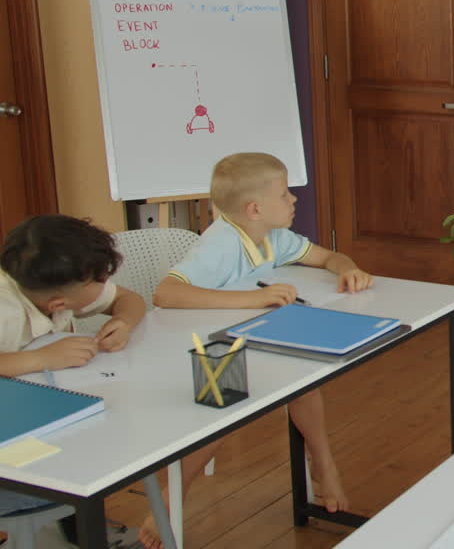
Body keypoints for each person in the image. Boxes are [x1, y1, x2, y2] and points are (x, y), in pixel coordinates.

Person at [149, 152, 373, 548]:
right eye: (285, 194)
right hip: (200, 351)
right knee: (226, 408)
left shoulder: (274, 236)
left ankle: (323, 464)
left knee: (304, 376)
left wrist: (347, 268)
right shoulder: (220, 244)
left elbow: (327, 256)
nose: (294, 199)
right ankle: (170, 498)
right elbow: (166, 294)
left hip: (247, 340)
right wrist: (253, 300)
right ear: (254, 209)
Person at [0, 215, 146, 517]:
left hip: (38, 410)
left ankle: (74, 527)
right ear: (58, 305)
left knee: (104, 441)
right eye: (99, 281)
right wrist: (41, 358)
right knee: (94, 462)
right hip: (12, 455)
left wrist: (124, 320)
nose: (106, 284)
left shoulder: (52, 285)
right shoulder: (6, 312)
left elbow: (128, 299)